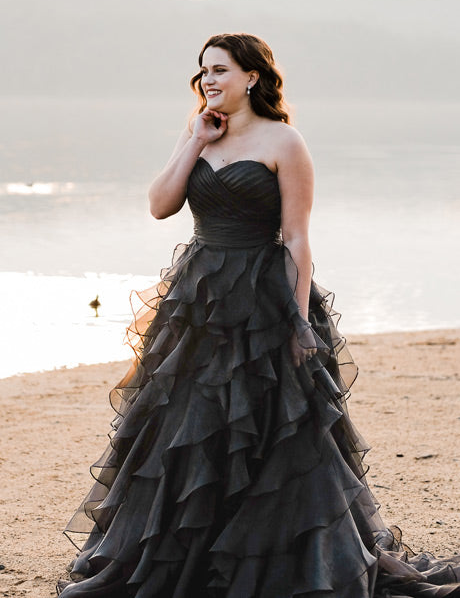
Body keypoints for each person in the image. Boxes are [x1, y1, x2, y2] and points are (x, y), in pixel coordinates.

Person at [57, 33, 460, 597]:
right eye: (202, 73)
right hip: (199, 299)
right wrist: (193, 141)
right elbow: (159, 205)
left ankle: (280, 561)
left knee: (275, 431)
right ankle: (190, 554)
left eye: (220, 70)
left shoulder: (284, 141)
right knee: (189, 426)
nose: (209, 81)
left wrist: (299, 321)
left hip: (265, 299)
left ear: (252, 76)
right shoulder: (200, 132)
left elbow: (296, 236)